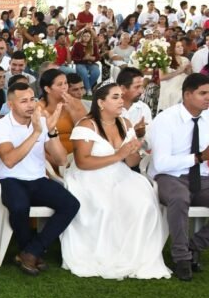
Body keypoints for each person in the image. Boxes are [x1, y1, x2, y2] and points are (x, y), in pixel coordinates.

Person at [60, 84, 169, 279]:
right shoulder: (86, 125)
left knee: (143, 203)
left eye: (121, 96)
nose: (121, 100)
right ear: (101, 103)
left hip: (119, 174)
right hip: (88, 176)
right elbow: (83, 162)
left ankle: (134, 255)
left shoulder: (125, 123)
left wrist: (133, 149)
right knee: (105, 206)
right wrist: (119, 155)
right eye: (115, 97)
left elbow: (131, 162)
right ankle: (103, 254)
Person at [148, 73, 209, 281]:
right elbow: (162, 163)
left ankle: (195, 246)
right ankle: (181, 258)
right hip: (169, 177)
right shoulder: (165, 120)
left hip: (202, 177)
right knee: (179, 197)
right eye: (203, 93)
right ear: (187, 95)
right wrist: (200, 157)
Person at [0, 82, 80, 275]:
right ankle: (29, 251)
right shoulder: (1, 127)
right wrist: (37, 132)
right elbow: (9, 160)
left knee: (71, 204)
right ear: (11, 105)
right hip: (10, 178)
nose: (30, 105)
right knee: (19, 206)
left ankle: (31, 251)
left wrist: (52, 131)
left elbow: (61, 160)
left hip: (38, 179)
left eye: (32, 99)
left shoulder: (41, 123)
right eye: (23, 101)